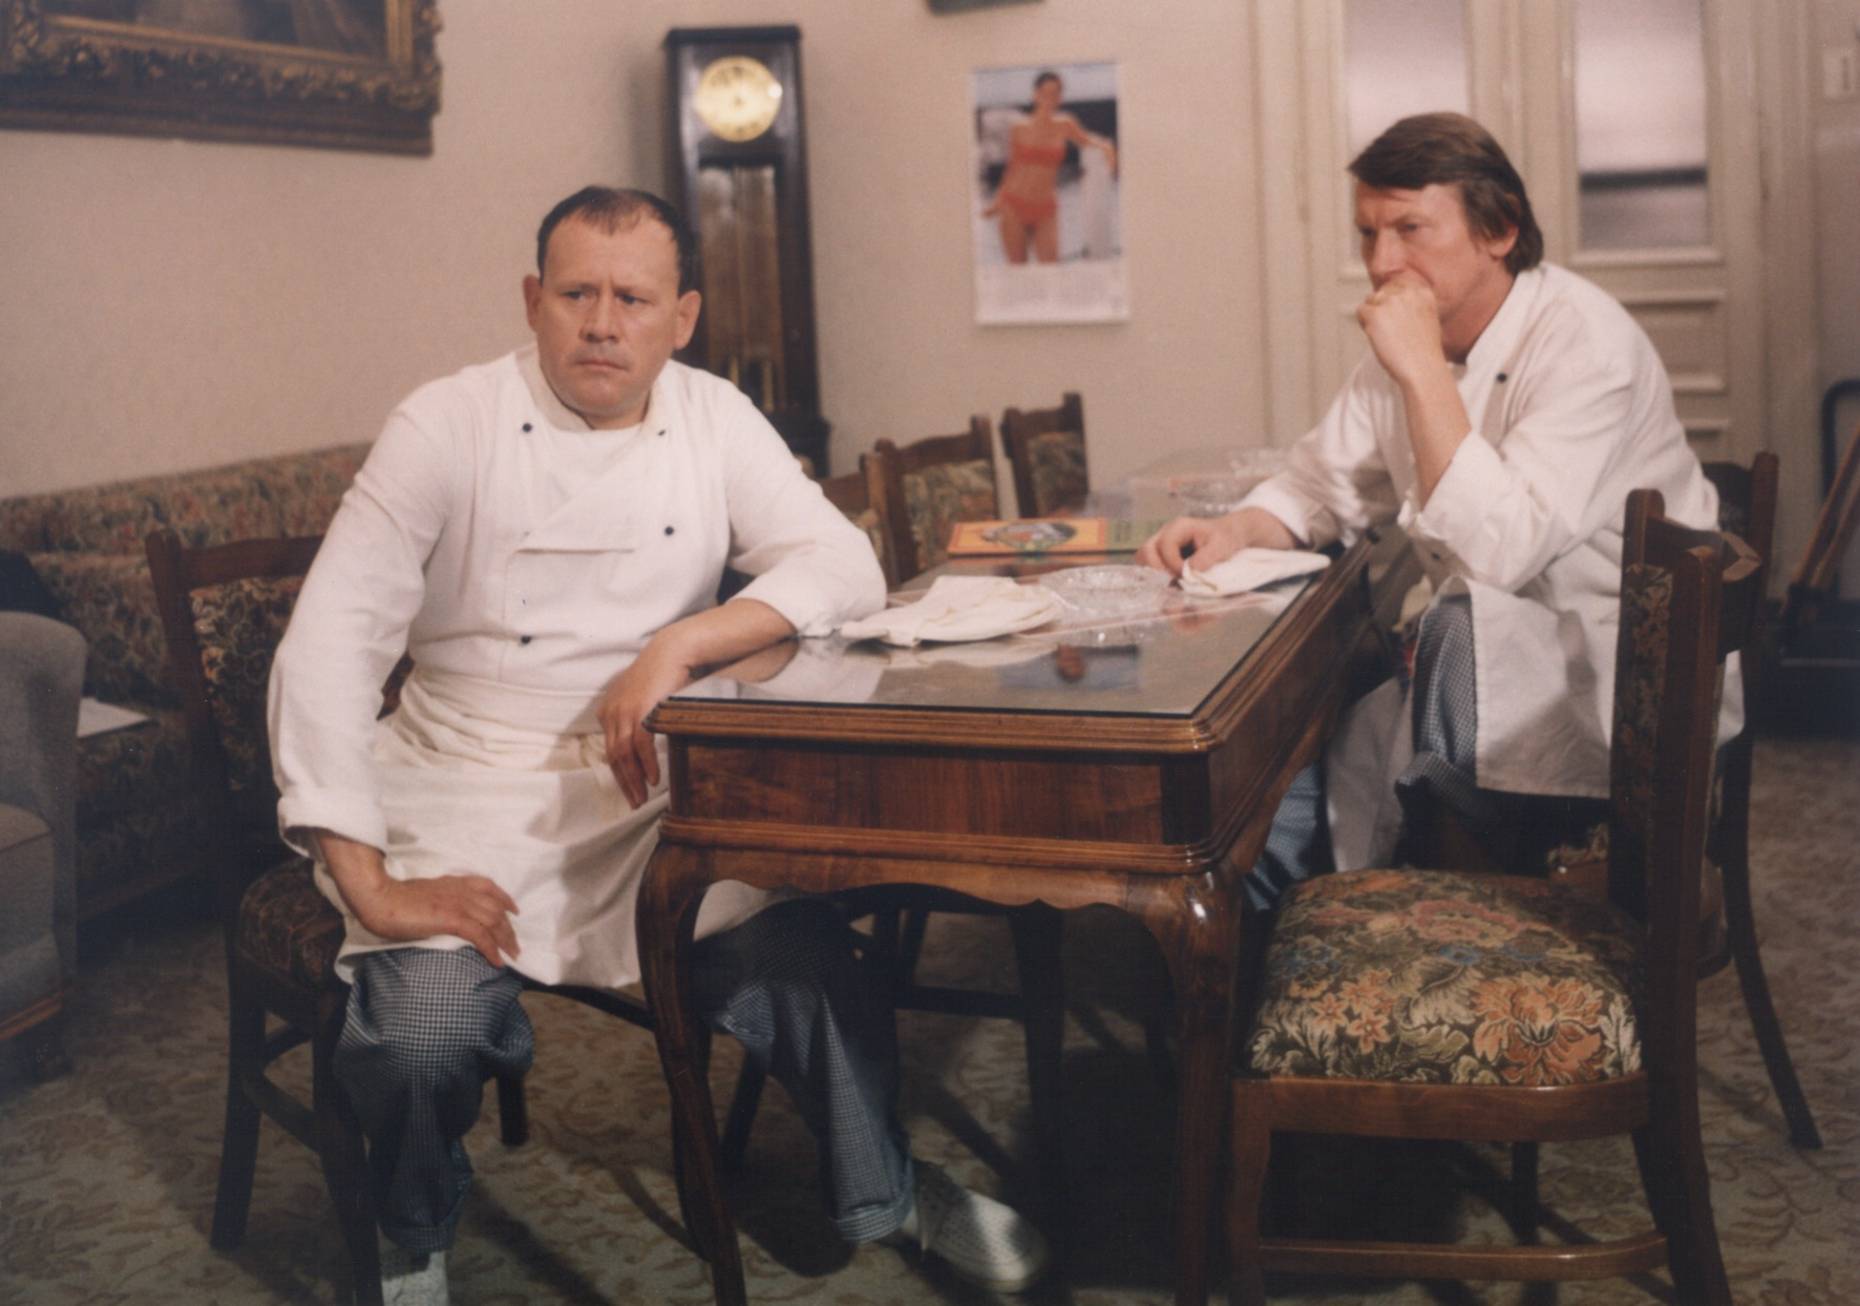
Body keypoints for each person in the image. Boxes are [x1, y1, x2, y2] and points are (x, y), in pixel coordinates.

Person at [268, 186, 1049, 1304]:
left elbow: (844, 566)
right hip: (459, 791)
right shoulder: (445, 423)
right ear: (532, 301)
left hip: (644, 799)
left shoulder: (714, 416)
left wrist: (677, 645)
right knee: (417, 1037)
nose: (601, 324)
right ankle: (411, 1239)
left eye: (632, 299)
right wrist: (374, 887)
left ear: (681, 318)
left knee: (813, 963)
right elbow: (326, 650)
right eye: (575, 294)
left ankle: (892, 1192)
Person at [1138, 112, 1729, 906]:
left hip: (1607, 681)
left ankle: (1451, 916)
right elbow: (1321, 484)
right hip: (1474, 675)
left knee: (1440, 636)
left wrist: (1421, 371)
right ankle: (1315, 935)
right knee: (1253, 826)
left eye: (1410, 229)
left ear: (1499, 230)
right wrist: (1234, 528)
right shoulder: (1419, 338)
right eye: (1368, 234)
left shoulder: (1584, 344)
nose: (1382, 263)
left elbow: (1497, 557)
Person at [983, 70, 1117, 265]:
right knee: (1017, 273)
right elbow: (1013, 169)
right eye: (1045, 93)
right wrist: (997, 203)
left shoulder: (1065, 124)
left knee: (1051, 271)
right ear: (1035, 95)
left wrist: (1107, 148)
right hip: (1014, 206)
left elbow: (1086, 141)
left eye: (1055, 93)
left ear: (1060, 96)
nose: (1050, 98)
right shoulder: (1019, 128)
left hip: (1045, 209)